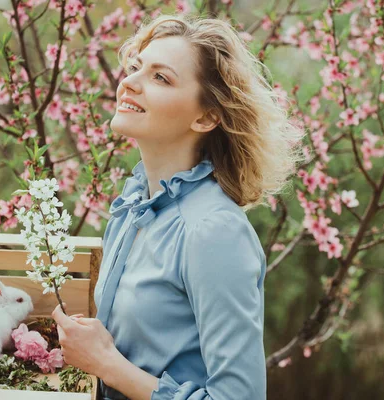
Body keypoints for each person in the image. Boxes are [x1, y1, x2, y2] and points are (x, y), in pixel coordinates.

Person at [51, 13, 303, 400]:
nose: (129, 83)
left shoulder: (213, 231)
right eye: (135, 67)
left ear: (206, 117)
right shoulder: (133, 207)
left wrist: (107, 364)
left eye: (160, 77)